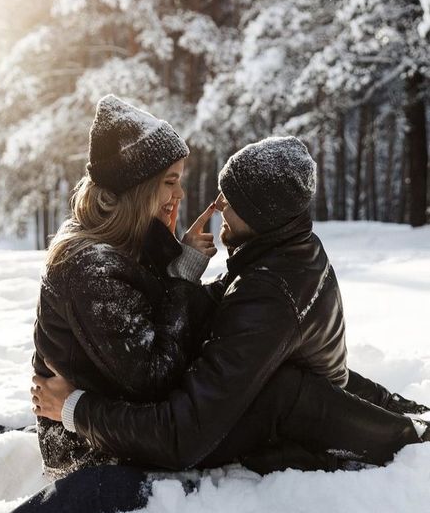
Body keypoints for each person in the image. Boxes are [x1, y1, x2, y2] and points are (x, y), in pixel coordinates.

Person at [29, 137, 430, 478]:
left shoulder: (268, 293)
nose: (218, 204)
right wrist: (177, 260)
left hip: (264, 429)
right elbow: (215, 317)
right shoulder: (287, 254)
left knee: (284, 389)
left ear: (260, 213)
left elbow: (180, 434)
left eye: (232, 198)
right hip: (277, 409)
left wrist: (75, 408)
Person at [31, 93, 220, 480]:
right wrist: (182, 272)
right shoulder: (90, 267)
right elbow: (155, 376)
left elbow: (176, 323)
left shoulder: (132, 245)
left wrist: (176, 255)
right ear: (138, 188)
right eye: (170, 182)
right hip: (89, 454)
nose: (179, 195)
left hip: (120, 428)